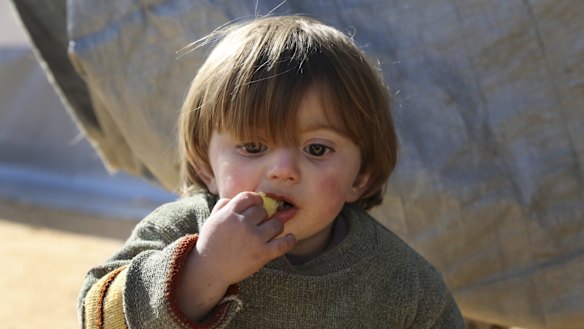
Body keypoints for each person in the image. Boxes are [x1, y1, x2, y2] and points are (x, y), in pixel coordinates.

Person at [78, 15, 466, 328]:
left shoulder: (400, 282)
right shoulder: (181, 230)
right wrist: (202, 270)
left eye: (317, 149)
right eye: (253, 147)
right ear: (204, 165)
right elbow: (97, 316)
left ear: (361, 176)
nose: (282, 171)